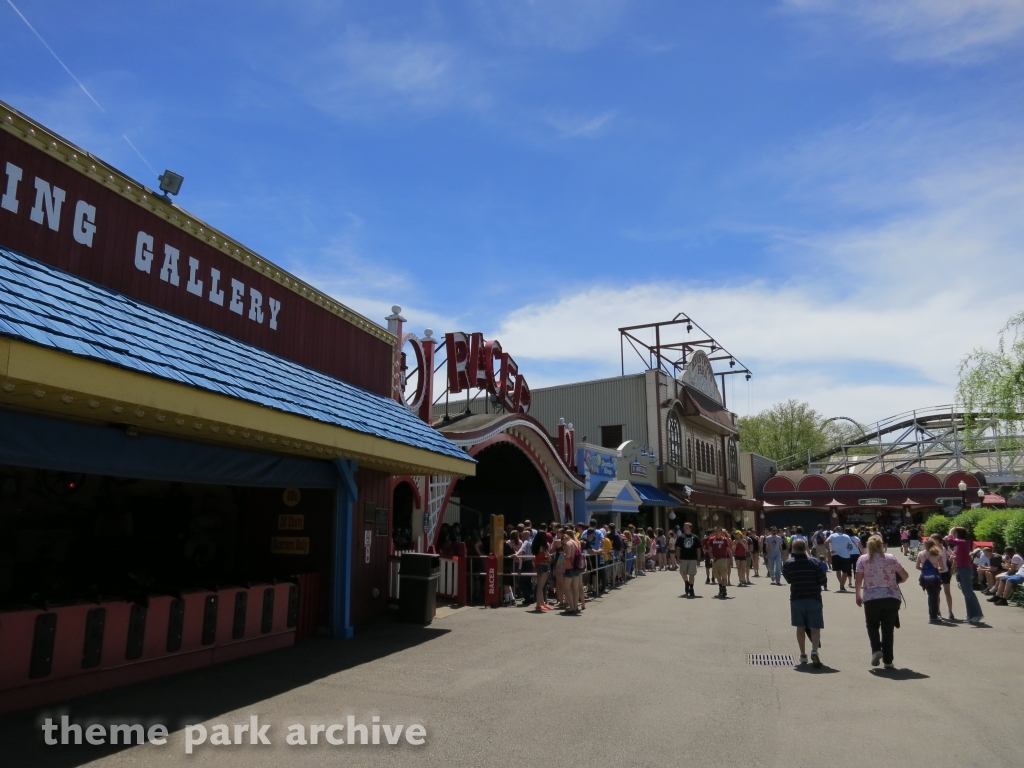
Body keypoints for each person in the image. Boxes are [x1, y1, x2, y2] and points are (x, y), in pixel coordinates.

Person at [855, 535, 909, 669]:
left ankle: (876, 650)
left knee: (872, 625)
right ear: (881, 545)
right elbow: (905, 576)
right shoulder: (891, 558)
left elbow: (858, 579)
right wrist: (895, 581)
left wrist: (858, 594)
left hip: (872, 598)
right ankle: (888, 660)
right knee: (888, 629)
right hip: (891, 597)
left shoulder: (863, 559)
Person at [781, 539, 827, 668]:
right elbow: (823, 580)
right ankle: (814, 651)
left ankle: (802, 654)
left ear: (793, 549)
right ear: (806, 547)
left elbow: (788, 579)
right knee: (815, 627)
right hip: (814, 597)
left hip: (797, 598)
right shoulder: (814, 562)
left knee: (800, 627)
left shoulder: (789, 564)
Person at [947, 527, 984, 624]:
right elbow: (961, 555)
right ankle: (970, 615)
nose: (953, 534)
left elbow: (949, 539)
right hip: (962, 568)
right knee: (966, 593)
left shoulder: (962, 542)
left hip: (965, 569)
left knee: (969, 592)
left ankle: (978, 614)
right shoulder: (961, 543)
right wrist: (955, 557)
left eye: (955, 533)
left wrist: (951, 531)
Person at [916, 536, 948, 623]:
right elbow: (942, 567)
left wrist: (925, 569)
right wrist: (935, 567)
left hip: (925, 578)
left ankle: (933, 614)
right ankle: (933, 616)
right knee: (934, 596)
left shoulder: (920, 554)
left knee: (930, 595)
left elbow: (917, 567)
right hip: (935, 577)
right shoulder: (938, 554)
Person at [675, 522, 702, 597]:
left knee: (692, 573)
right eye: (684, 527)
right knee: (683, 573)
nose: (685, 529)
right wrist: (678, 558)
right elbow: (678, 548)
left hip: (692, 558)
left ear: (690, 528)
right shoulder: (681, 538)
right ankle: (686, 582)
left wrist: (698, 559)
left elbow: (698, 549)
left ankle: (691, 588)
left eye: (687, 527)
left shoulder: (695, 537)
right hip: (683, 558)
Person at [826, 526, 855, 592]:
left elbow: (826, 542)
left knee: (838, 570)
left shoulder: (832, 536)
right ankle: (842, 586)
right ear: (842, 530)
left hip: (835, 554)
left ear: (835, 530)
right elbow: (851, 546)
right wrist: (847, 550)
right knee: (845, 571)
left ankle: (841, 584)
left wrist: (829, 550)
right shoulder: (846, 536)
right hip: (845, 555)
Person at [708, 527, 734, 599]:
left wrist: (731, 559)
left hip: (723, 558)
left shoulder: (724, 539)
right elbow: (710, 550)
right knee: (717, 574)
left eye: (718, 531)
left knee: (724, 573)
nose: (717, 533)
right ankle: (720, 587)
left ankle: (724, 588)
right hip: (715, 559)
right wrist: (711, 558)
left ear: (721, 532)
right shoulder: (712, 539)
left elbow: (728, 550)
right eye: (715, 531)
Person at [531, 524, 552, 612]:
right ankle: (538, 605)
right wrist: (550, 557)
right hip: (544, 565)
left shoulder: (534, 546)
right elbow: (549, 558)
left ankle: (542, 603)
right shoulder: (544, 546)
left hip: (538, 565)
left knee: (540, 585)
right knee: (541, 586)